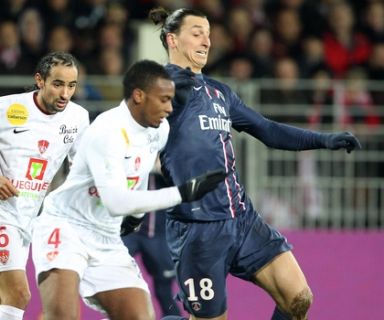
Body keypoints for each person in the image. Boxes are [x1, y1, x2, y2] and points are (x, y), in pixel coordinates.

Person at [149, 7, 362, 320]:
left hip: (242, 219)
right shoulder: (165, 90)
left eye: (208, 33)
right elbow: (129, 135)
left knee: (298, 298)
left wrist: (323, 140)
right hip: (197, 231)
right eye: (197, 33)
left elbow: (268, 130)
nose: (207, 40)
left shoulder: (220, 92)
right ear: (172, 39)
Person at [31, 59, 227, 320]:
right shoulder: (107, 130)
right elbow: (115, 202)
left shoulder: (159, 130)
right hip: (66, 226)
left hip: (107, 237)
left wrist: (135, 218)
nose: (169, 108)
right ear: (138, 96)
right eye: (163, 100)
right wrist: (183, 193)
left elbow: (141, 169)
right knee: (62, 316)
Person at [0, 51, 90, 320]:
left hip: (26, 220)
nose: (65, 93)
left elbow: (80, 168)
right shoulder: (7, 108)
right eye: (58, 84)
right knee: (19, 294)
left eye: (71, 85)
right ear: (40, 80)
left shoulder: (77, 118)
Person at [122, 172, 182, 317]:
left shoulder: (169, 157)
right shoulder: (132, 156)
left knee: (163, 290)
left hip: (158, 237)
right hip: (131, 232)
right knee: (112, 274)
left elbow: (181, 186)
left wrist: (160, 168)